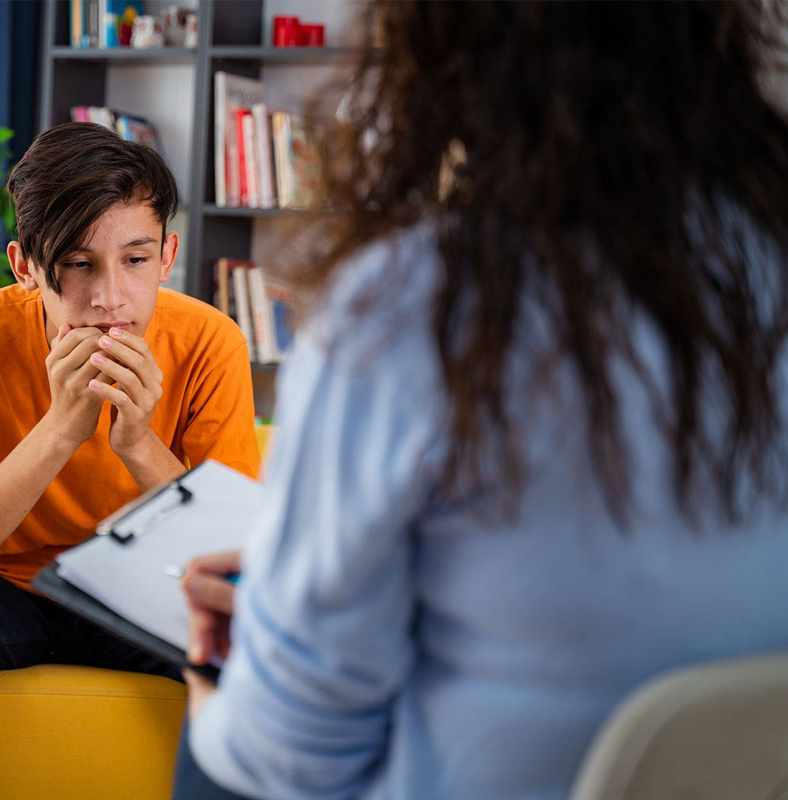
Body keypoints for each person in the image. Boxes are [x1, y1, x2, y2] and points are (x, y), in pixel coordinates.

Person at [173, 2, 788, 799]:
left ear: (442, 52)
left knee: (212, 761)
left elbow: (290, 754)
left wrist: (209, 679)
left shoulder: (411, 307)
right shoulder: (764, 268)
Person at [0, 122, 261, 799]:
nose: (110, 297)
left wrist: (137, 445)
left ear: (167, 254)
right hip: (14, 589)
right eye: (78, 264)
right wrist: (59, 431)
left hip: (150, 587)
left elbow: (235, 561)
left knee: (252, 647)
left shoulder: (211, 343)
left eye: (134, 261)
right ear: (25, 267)